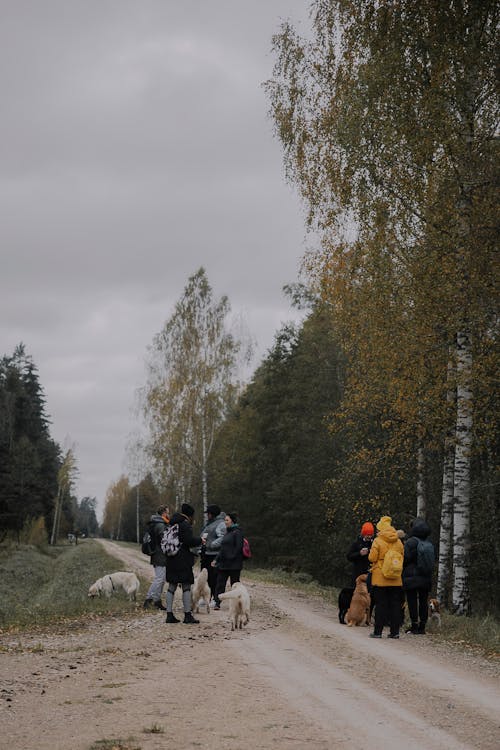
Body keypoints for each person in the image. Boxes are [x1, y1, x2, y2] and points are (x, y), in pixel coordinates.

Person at [165, 503, 203, 624]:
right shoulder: (184, 524)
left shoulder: (172, 522)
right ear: (190, 515)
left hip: (171, 558)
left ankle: (169, 615)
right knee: (186, 586)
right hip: (182, 559)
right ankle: (187, 615)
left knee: (171, 586)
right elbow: (188, 541)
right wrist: (200, 540)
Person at [368, 515, 404, 639]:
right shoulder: (398, 541)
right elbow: (402, 557)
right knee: (395, 605)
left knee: (381, 604)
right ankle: (395, 632)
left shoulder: (378, 541)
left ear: (380, 529)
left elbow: (372, 558)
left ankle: (378, 632)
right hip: (395, 578)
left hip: (380, 578)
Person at [403, 518, 434, 634]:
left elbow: (405, 559)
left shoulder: (411, 542)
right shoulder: (428, 542)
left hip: (412, 575)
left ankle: (414, 625)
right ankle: (422, 627)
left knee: (412, 601)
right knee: (423, 601)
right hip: (425, 576)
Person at [212, 512, 244, 610]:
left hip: (234, 564)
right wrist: (216, 559)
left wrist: (231, 557)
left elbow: (239, 548)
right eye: (225, 520)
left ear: (232, 521)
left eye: (227, 520)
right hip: (224, 564)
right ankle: (217, 602)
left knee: (234, 585)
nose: (225, 522)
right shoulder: (227, 532)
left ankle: (237, 604)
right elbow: (223, 549)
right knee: (220, 583)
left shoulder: (237, 532)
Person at [143, 504, 170, 610]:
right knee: (159, 579)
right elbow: (165, 540)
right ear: (163, 513)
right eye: (167, 512)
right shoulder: (160, 524)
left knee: (162, 579)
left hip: (157, 554)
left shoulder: (157, 523)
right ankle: (148, 599)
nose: (168, 514)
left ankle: (157, 601)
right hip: (160, 555)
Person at [200, 504, 226, 604]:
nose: (207, 515)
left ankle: (216, 599)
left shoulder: (220, 523)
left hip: (214, 554)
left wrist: (211, 544)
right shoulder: (209, 523)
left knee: (214, 578)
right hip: (206, 554)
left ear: (212, 514)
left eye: (208, 513)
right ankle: (206, 597)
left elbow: (222, 537)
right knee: (205, 577)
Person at [346, 522, 374, 586]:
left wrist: (370, 551)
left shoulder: (374, 543)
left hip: (369, 573)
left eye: (371, 535)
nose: (369, 537)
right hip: (357, 573)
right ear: (363, 534)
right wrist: (359, 554)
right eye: (367, 535)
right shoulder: (357, 543)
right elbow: (349, 556)